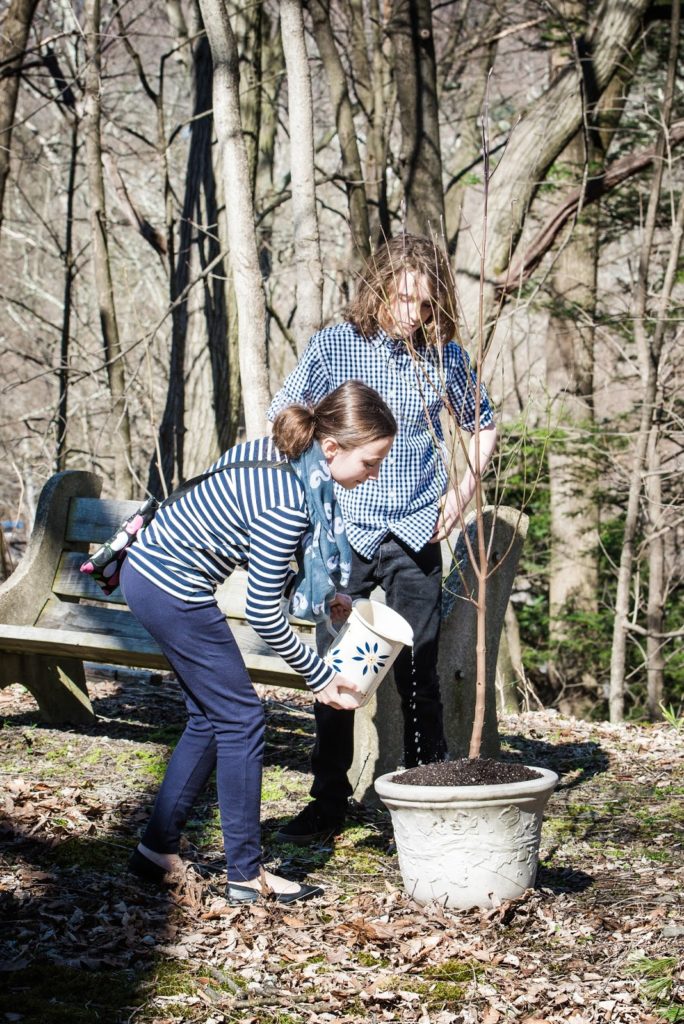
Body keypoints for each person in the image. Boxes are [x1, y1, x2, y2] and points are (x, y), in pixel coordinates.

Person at [120, 380, 397, 904]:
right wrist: (320, 678)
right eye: (371, 461)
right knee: (243, 718)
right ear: (332, 448)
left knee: (211, 716)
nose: (374, 473)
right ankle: (246, 874)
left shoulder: (280, 452)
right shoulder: (291, 498)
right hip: (172, 589)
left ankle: (156, 849)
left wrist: (320, 599)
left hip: (151, 575)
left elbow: (248, 545)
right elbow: (263, 612)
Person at [269, 233, 498, 845]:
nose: (412, 315)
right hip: (343, 537)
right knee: (338, 668)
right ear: (377, 289)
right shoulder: (334, 346)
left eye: (425, 305)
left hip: (415, 532)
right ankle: (328, 799)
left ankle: (422, 794)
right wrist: (310, 502)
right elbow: (285, 420)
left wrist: (460, 495)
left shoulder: (444, 357)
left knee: (417, 670)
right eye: (402, 299)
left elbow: (484, 427)